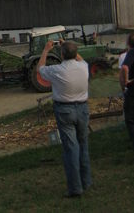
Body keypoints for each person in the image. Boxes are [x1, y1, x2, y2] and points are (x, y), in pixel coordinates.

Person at [37, 40, 91, 198]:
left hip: (64, 110)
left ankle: (75, 188)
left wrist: (46, 50)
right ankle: (86, 181)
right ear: (75, 54)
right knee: (83, 145)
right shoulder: (84, 66)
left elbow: (40, 69)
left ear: (61, 54)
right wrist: (68, 46)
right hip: (83, 108)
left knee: (71, 149)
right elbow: (79, 59)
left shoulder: (57, 70)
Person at [119, 32, 134, 149]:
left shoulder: (130, 53)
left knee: (130, 118)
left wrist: (125, 83)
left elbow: (124, 68)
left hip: (132, 90)